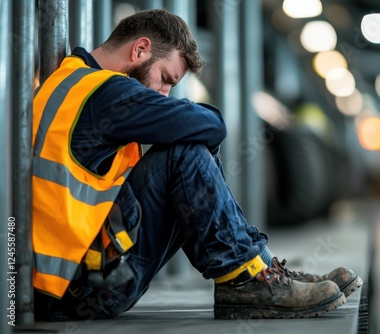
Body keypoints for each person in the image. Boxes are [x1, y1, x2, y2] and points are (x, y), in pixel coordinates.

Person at [32, 9, 362, 320]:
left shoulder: (73, 83)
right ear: (140, 50)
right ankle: (247, 278)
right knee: (184, 150)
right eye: (165, 78)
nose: (163, 94)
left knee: (184, 146)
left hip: (71, 280)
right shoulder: (105, 92)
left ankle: (256, 268)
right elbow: (212, 125)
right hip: (80, 289)